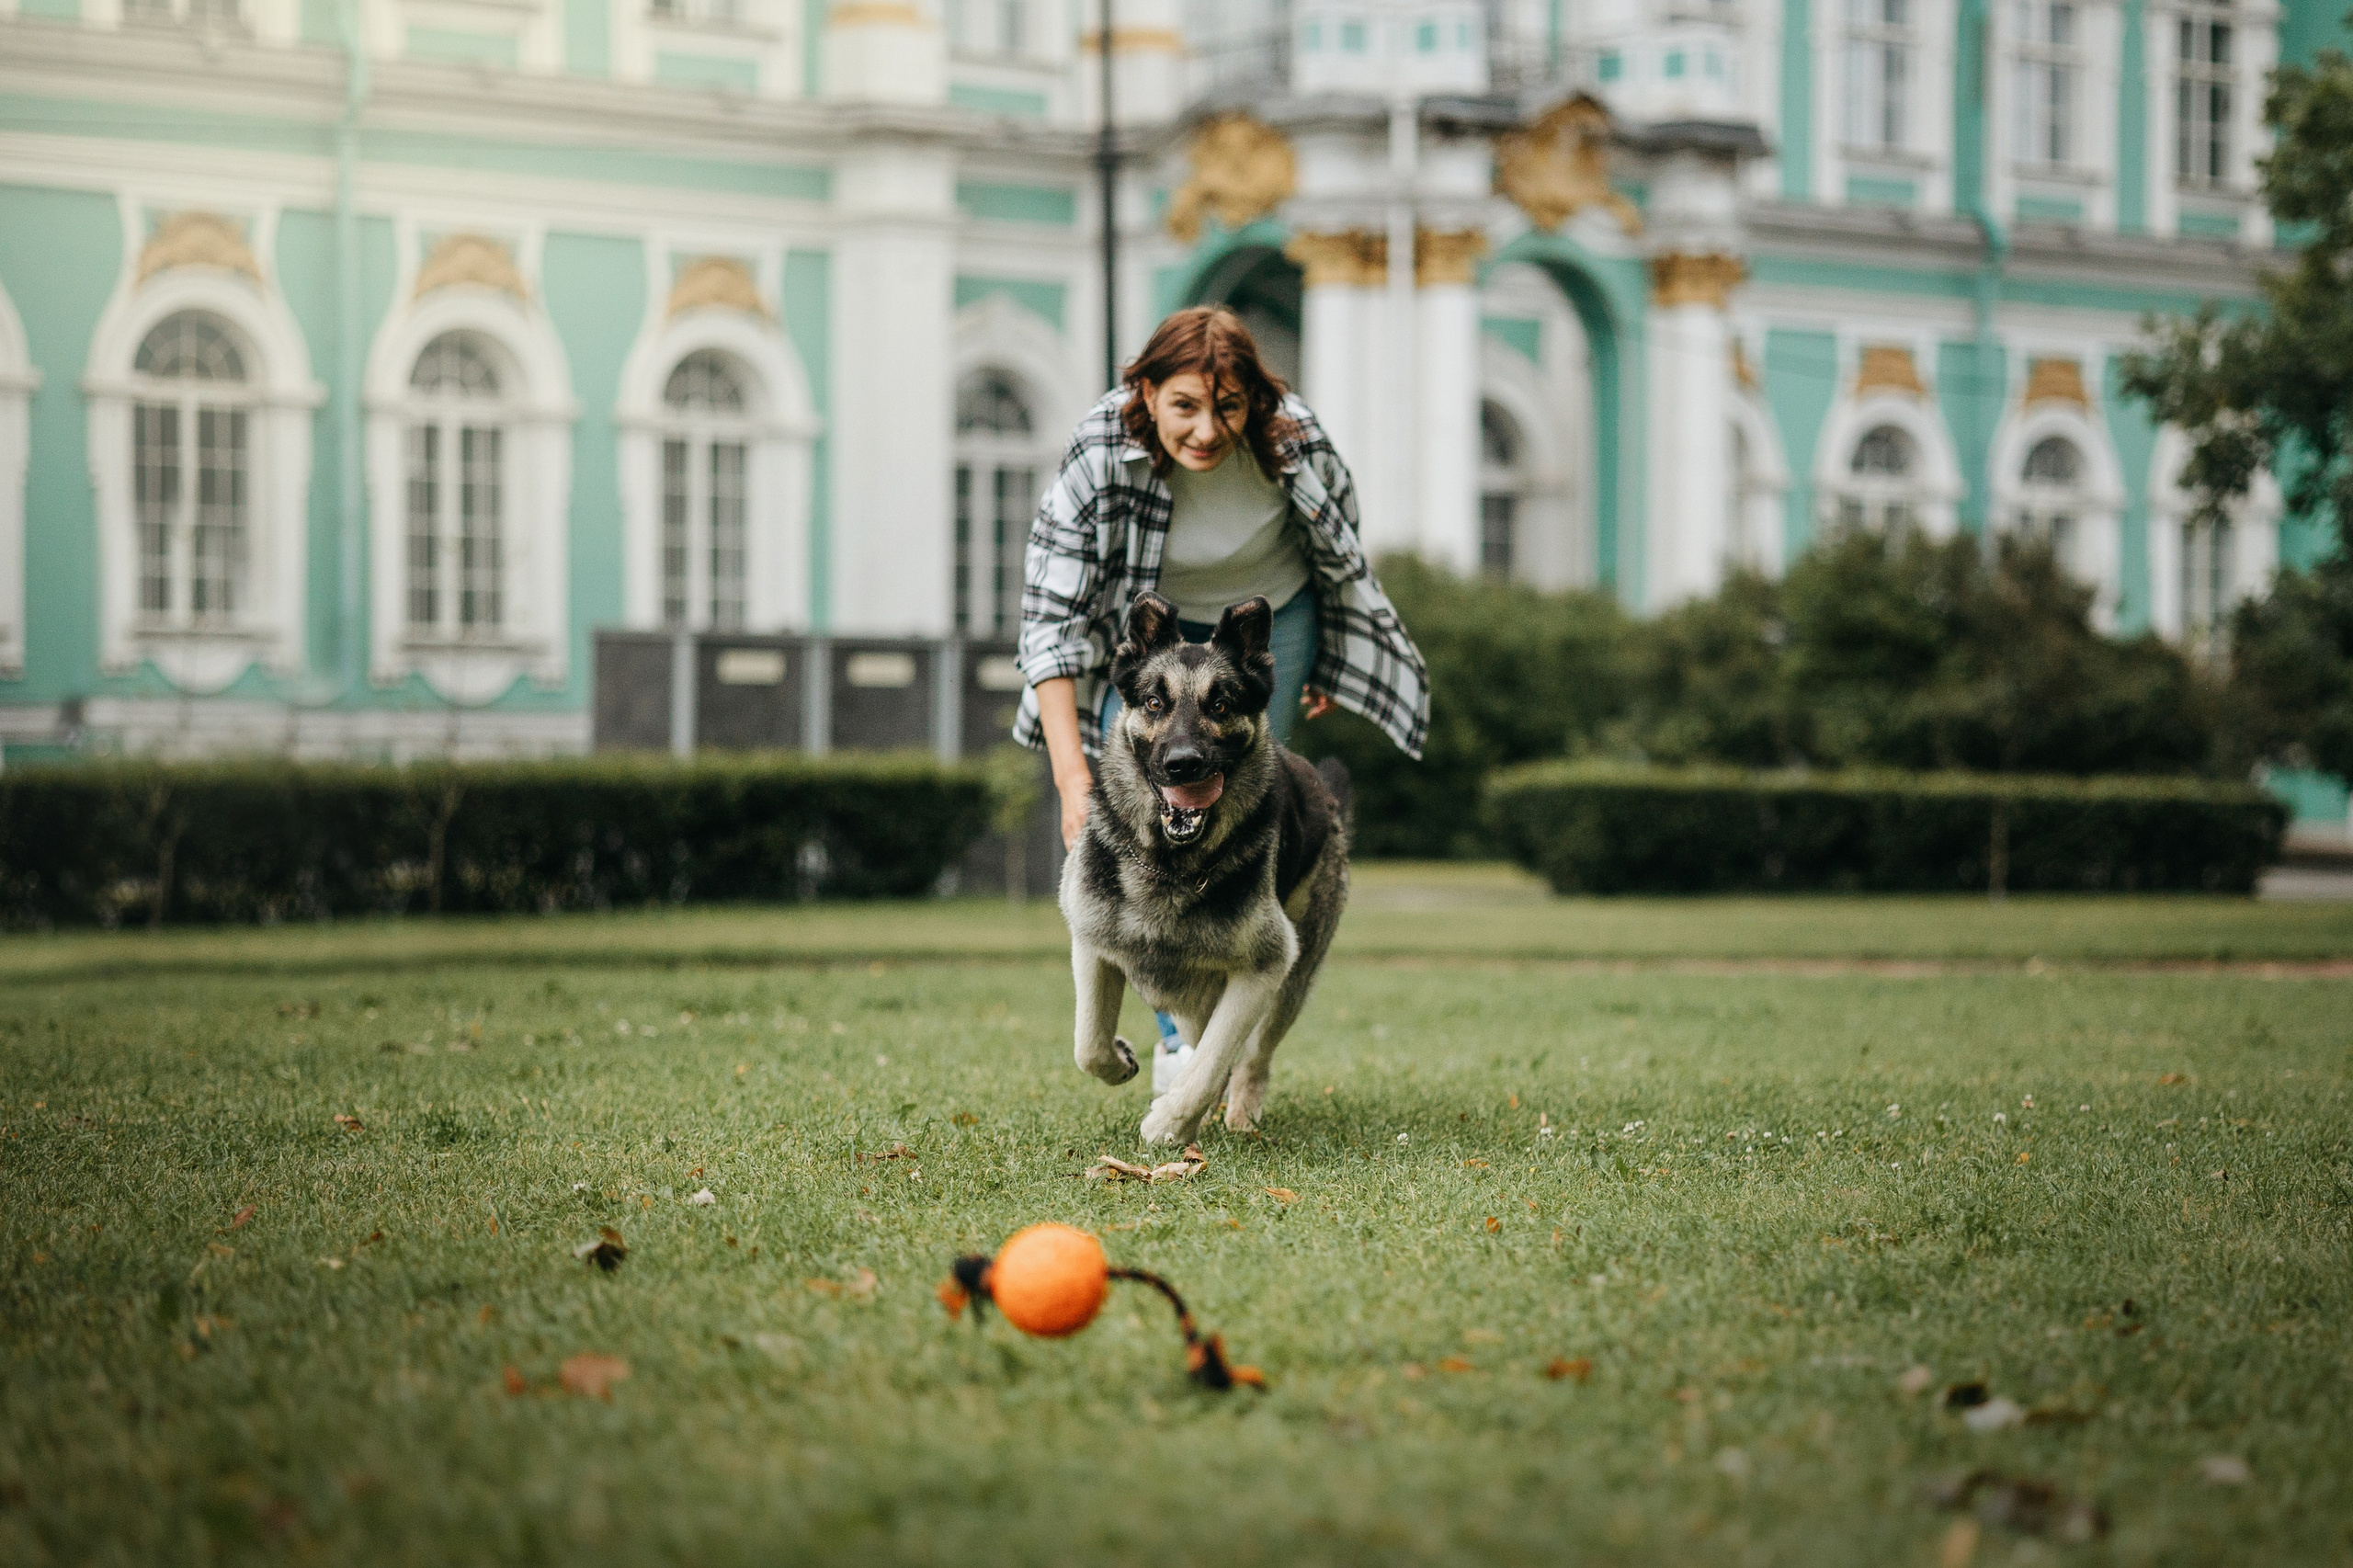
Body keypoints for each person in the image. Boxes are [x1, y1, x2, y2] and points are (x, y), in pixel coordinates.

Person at [1013, 305, 1429, 1091]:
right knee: (1129, 808)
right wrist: (1073, 777)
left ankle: (1221, 1029)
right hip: (1151, 637)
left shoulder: (1295, 440)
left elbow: (1342, 549)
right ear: (1145, 391)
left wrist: (1324, 665)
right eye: (1185, 407)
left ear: (1256, 402)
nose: (1207, 429)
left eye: (1228, 407)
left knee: (1245, 814)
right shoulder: (1100, 449)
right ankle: (1183, 1039)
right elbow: (1051, 622)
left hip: (1274, 612)